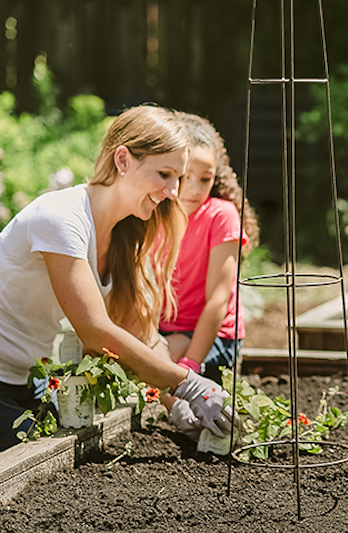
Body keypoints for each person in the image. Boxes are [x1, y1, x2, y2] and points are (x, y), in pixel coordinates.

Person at [0, 104, 233, 452]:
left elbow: (138, 328)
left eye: (179, 178)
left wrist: (174, 406)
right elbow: (95, 331)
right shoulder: (61, 218)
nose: (174, 191)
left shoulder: (124, 234)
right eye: (164, 174)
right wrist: (188, 383)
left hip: (25, 379)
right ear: (122, 160)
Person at [157, 112, 259, 388]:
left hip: (213, 338)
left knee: (163, 355)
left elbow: (218, 299)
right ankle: (181, 413)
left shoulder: (221, 216)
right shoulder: (154, 212)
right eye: (185, 176)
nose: (193, 188)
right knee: (148, 353)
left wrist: (189, 365)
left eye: (205, 179)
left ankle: (188, 411)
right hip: (162, 332)